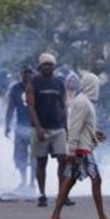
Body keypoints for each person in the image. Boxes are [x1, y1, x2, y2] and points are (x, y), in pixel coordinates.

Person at [49, 72, 110, 219]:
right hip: (82, 149)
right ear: (91, 86)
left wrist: (95, 133)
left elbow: (84, 125)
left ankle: (55, 215)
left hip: (82, 146)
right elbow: (74, 127)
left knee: (69, 181)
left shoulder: (85, 102)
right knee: (95, 180)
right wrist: (71, 149)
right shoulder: (82, 103)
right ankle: (102, 218)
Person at [26, 53, 71, 207]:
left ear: (54, 66)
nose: (48, 67)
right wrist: (38, 128)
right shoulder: (33, 83)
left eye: (50, 64)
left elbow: (64, 105)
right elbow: (31, 107)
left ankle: (62, 194)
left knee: (63, 160)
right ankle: (42, 194)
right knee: (41, 162)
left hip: (58, 128)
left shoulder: (59, 83)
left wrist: (66, 127)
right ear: (40, 67)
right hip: (41, 128)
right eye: (45, 64)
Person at [5, 66, 37, 194]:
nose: (27, 75)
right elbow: (11, 107)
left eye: (30, 73)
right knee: (20, 156)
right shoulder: (15, 89)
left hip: (34, 126)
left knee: (35, 156)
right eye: (25, 73)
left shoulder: (37, 87)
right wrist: (7, 125)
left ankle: (32, 182)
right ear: (21, 74)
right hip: (20, 126)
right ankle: (23, 181)